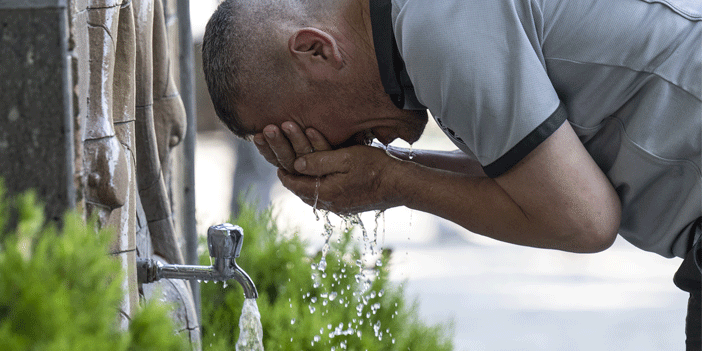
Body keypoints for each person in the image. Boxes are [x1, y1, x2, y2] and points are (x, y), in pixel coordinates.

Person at [201, 0, 701, 347]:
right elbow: (539, 184)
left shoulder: (436, 29)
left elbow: (583, 220)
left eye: (303, 129)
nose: (328, 148)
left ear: (316, 49)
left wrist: (388, 181)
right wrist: (390, 174)